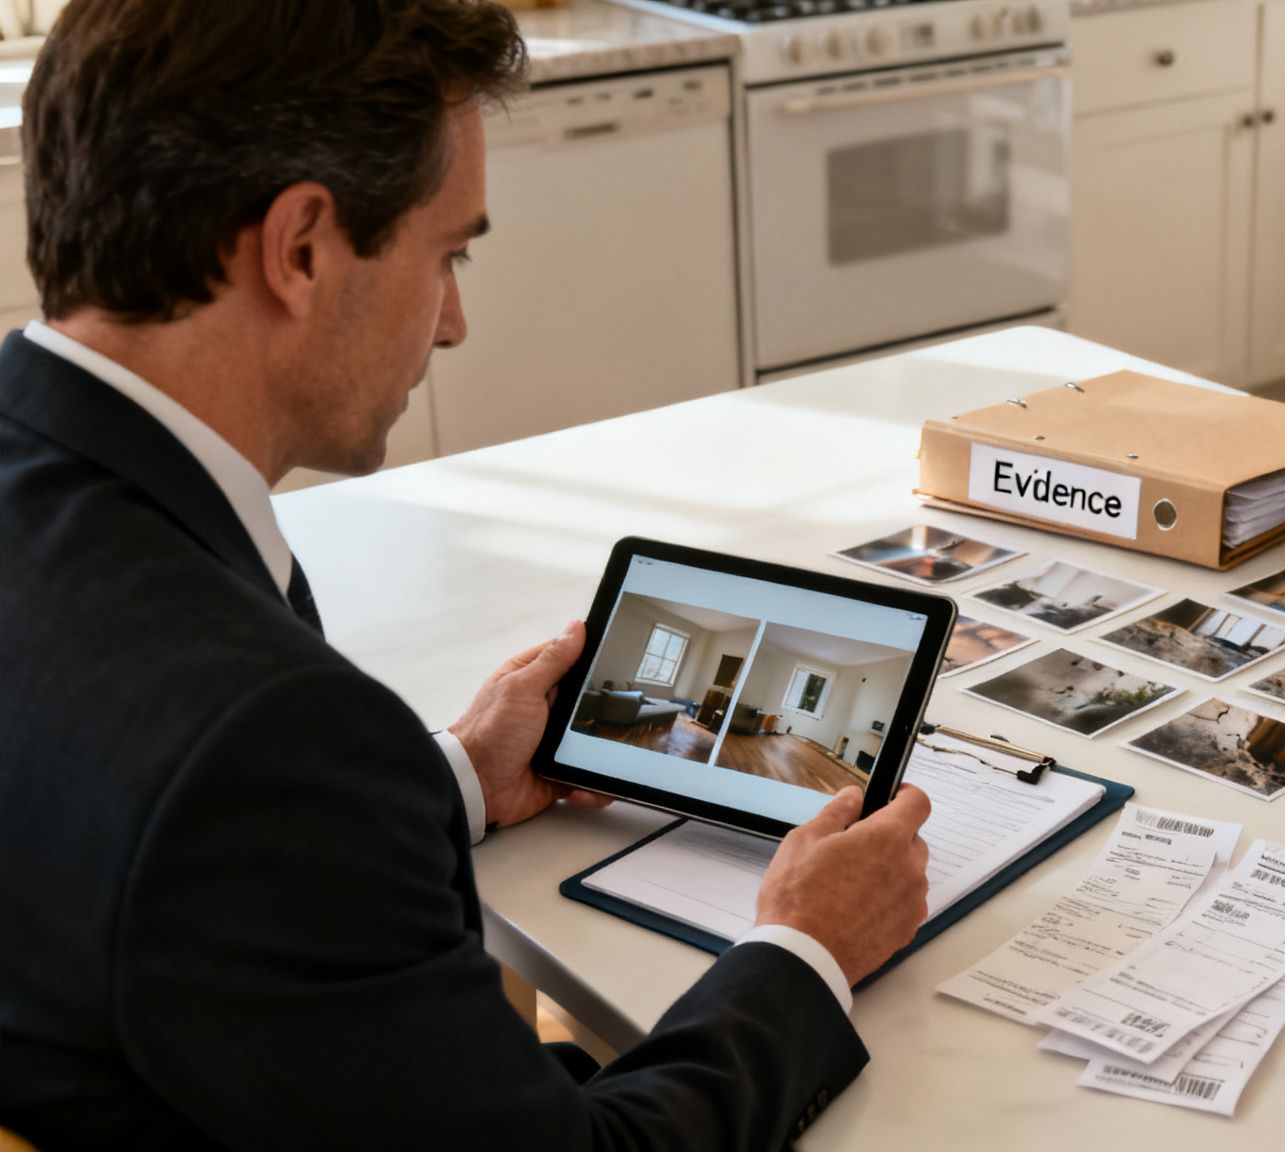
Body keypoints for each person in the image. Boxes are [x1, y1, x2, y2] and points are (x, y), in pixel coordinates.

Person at [0, 1, 933, 1148]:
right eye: (447, 254)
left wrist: (450, 777)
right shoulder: (267, 739)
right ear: (300, 248)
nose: (452, 324)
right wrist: (803, 947)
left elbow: (179, 874)